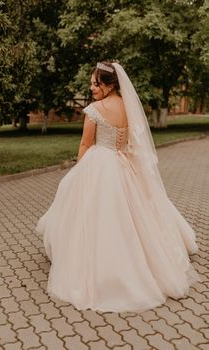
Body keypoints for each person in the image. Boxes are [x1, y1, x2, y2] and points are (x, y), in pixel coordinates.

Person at [36, 61, 199, 313]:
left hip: (100, 163)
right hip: (123, 164)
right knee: (131, 216)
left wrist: (80, 172)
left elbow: (85, 144)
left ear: (110, 85)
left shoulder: (94, 110)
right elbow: (132, 141)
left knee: (94, 217)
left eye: (96, 83)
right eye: (91, 82)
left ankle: (102, 269)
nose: (92, 87)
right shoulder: (128, 106)